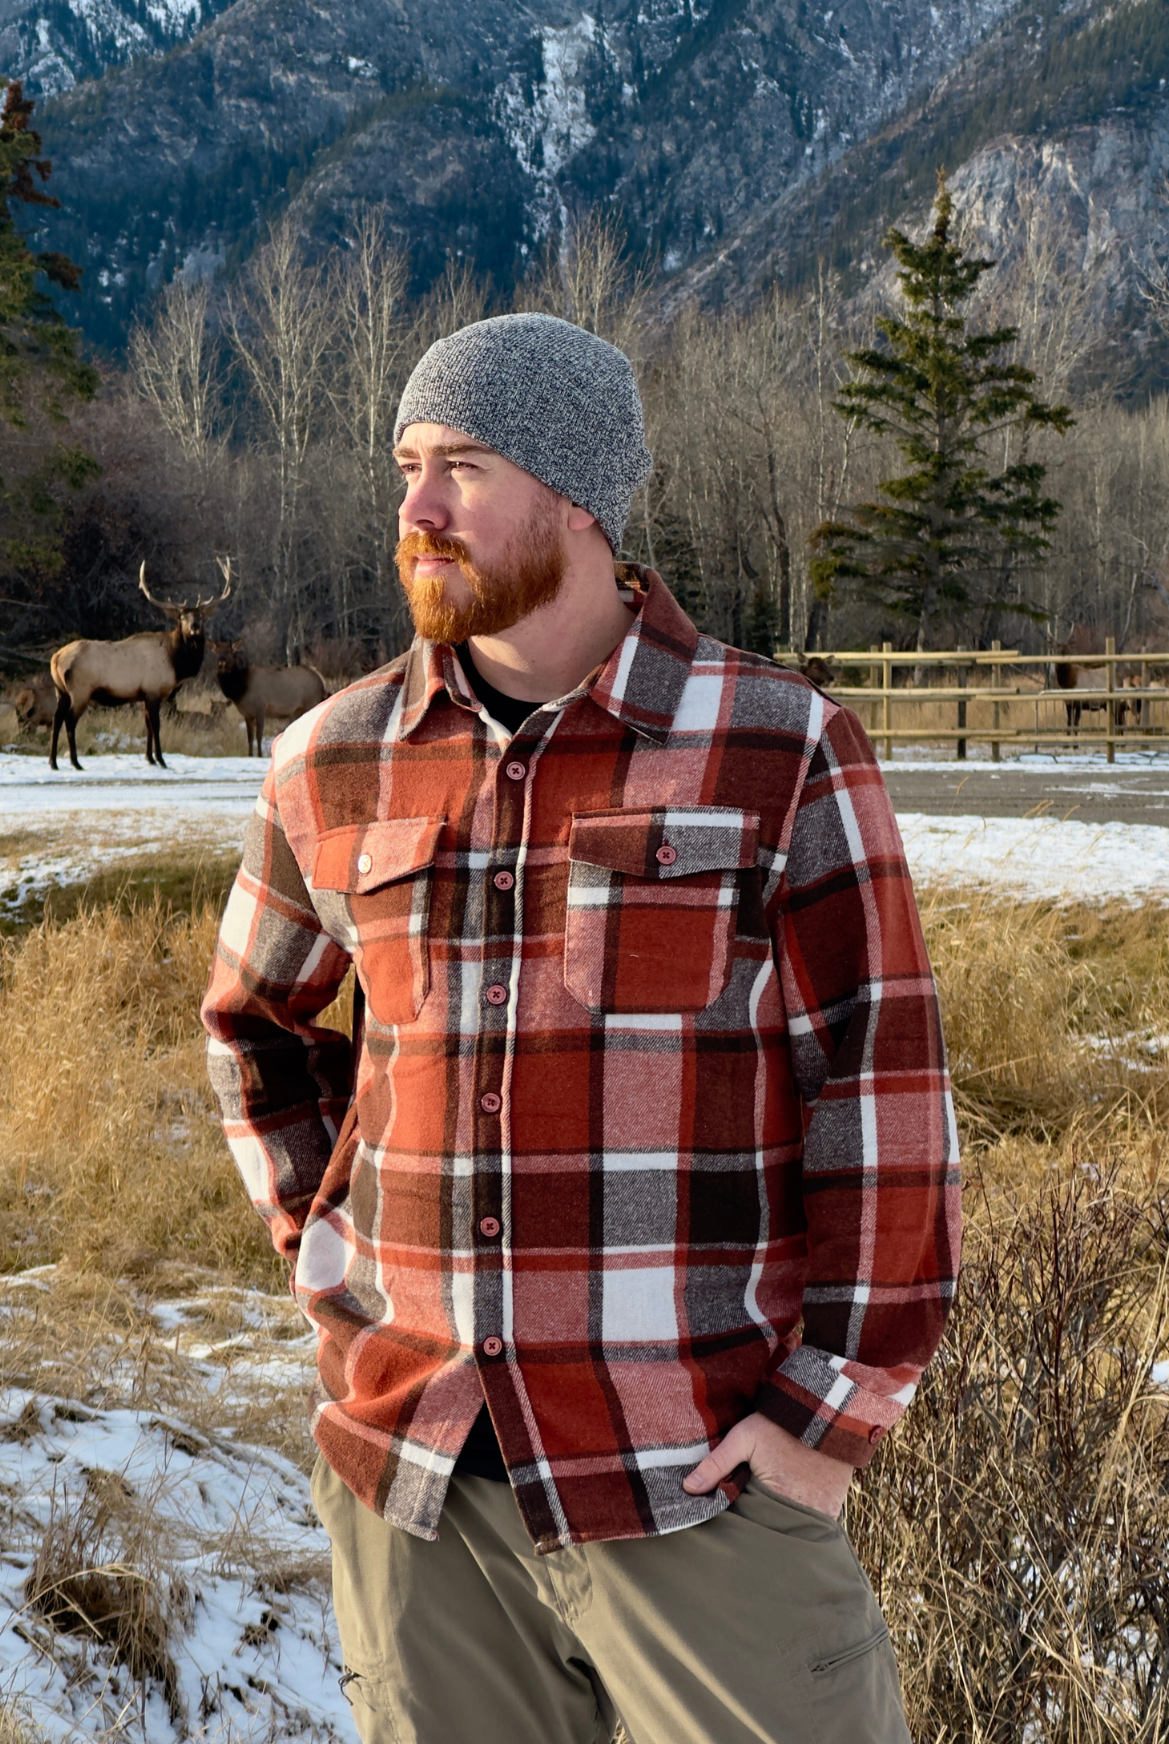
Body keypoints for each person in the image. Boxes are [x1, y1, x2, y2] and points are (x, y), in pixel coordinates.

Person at [202, 313, 960, 1744]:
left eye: (463, 467)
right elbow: (253, 1024)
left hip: (694, 1478)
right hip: (421, 1486)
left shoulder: (778, 749)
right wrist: (334, 1262)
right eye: (407, 467)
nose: (418, 510)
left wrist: (825, 1420)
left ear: (579, 497)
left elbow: (882, 1086)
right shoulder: (332, 758)